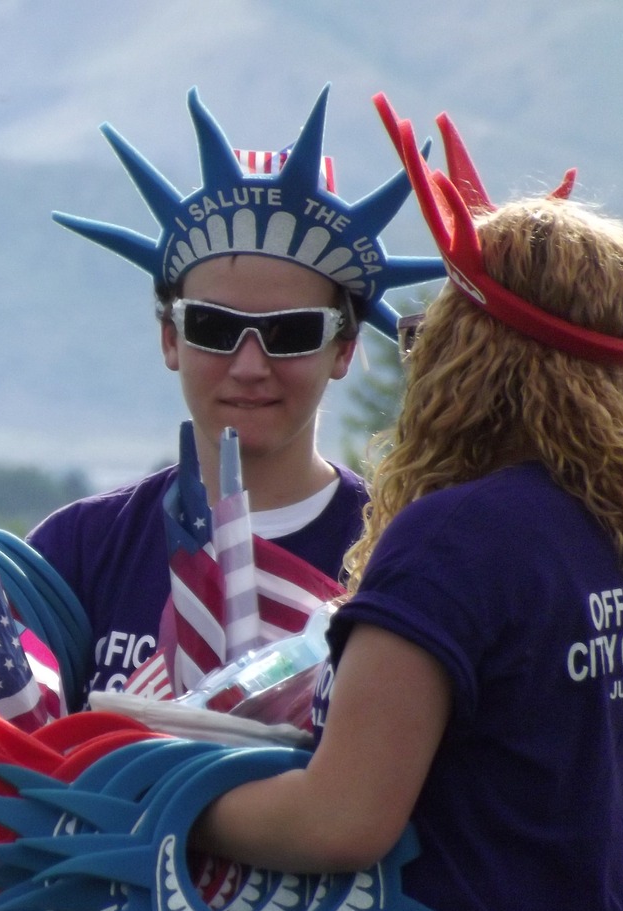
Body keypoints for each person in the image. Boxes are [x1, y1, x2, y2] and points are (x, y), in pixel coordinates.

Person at [193, 95, 623, 911]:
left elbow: (341, 820)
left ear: (475, 353)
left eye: (427, 334)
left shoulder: (457, 538)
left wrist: (150, 791)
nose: (417, 356)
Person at [28, 85, 443, 697]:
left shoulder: (399, 557)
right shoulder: (76, 553)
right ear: (170, 338)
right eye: (214, 327)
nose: (250, 365)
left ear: (345, 349)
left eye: (293, 332)